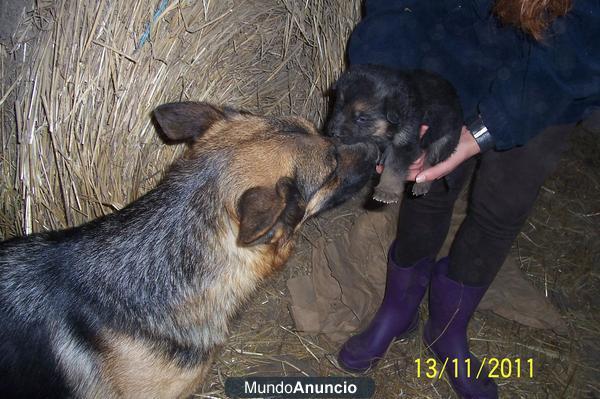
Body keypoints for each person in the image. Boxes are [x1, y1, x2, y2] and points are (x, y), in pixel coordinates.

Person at [336, 1, 600, 398]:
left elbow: (586, 43)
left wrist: (483, 131)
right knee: (428, 187)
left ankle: (447, 330)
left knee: (503, 208)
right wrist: (386, 85)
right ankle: (399, 309)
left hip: (549, 80)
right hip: (452, 54)